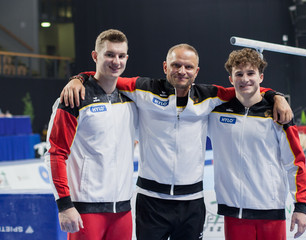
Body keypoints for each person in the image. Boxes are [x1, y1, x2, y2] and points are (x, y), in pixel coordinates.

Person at [60, 43, 293, 240]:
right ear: (165, 67)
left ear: (196, 71)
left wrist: (276, 96)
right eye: (176, 65)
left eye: (188, 67)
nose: (182, 71)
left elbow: (246, 88)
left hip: (191, 204)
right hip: (151, 202)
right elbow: (108, 75)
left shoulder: (210, 96)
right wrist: (79, 78)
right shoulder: (144, 89)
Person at [44, 29, 138, 240]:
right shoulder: (73, 99)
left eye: (121, 56)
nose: (116, 61)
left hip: (122, 209)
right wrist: (64, 205)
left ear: (127, 58)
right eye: (109, 55)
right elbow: (55, 154)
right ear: (95, 56)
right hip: (86, 209)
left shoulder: (132, 99)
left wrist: (80, 76)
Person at [208, 48, 306, 240]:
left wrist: (301, 206)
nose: (245, 79)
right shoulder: (216, 113)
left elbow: (295, 162)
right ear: (231, 79)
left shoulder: (279, 115)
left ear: (261, 77)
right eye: (239, 74)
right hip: (234, 212)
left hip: (270, 211)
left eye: (250, 73)